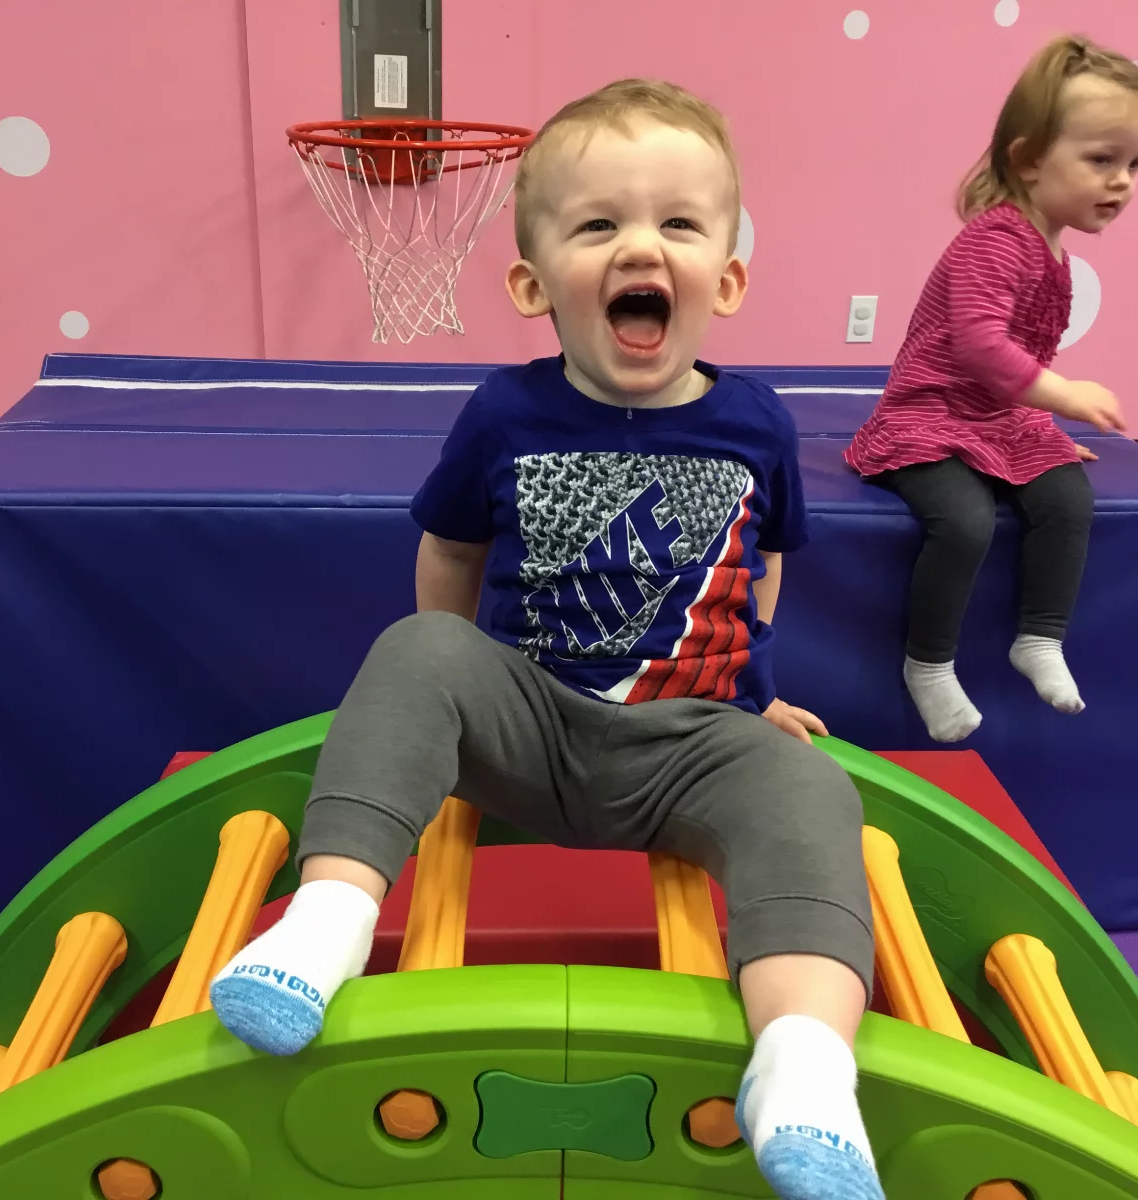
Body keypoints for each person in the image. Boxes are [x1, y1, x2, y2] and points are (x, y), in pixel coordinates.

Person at [211, 79, 884, 1200]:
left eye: (678, 223)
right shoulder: (506, 412)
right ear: (534, 284)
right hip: (525, 723)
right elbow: (450, 556)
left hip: (690, 745)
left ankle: (803, 1065)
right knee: (415, 649)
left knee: (813, 797)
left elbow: (761, 566)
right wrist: (449, 693)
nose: (641, 246)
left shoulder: (757, 421)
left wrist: (757, 692)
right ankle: (324, 924)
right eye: (598, 224)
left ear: (726, 278)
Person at [845, 35, 1137, 743]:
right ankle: (929, 663)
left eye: (1133, 164)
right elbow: (980, 345)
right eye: (1102, 160)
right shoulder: (996, 239)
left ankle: (1040, 637)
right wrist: (1061, 396)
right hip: (930, 413)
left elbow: (1016, 362)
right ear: (1030, 159)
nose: (1123, 181)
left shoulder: (1053, 252)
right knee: (965, 521)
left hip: (997, 417)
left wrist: (1045, 428)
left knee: (1068, 497)